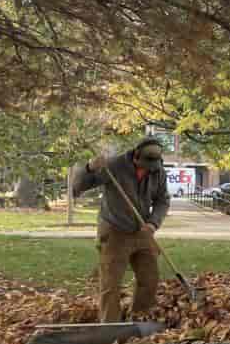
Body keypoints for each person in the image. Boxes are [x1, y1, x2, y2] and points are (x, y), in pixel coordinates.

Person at [72, 137, 171, 322]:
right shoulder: (113, 166)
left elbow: (162, 200)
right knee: (111, 285)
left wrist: (153, 223)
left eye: (152, 167)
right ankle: (109, 327)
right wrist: (88, 169)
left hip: (142, 230)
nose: (147, 170)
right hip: (115, 230)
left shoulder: (158, 171)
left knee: (149, 279)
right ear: (135, 156)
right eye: (144, 166)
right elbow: (77, 187)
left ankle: (139, 318)